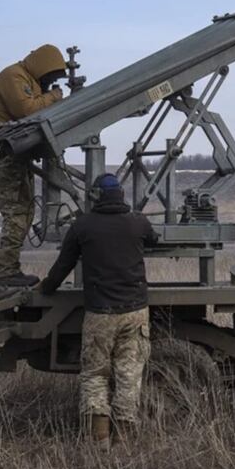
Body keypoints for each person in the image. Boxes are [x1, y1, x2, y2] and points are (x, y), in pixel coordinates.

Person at [40, 174, 159, 448]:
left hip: (100, 314)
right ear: (120, 195)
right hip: (135, 312)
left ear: (95, 197)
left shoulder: (83, 226)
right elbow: (153, 239)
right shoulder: (138, 222)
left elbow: (63, 265)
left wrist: (46, 289)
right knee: (129, 375)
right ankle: (125, 438)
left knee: (95, 374)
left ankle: (100, 439)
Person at [0, 44, 67, 287]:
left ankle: (9, 270)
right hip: (2, 155)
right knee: (16, 215)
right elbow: (26, 110)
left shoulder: (26, 78)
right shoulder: (13, 76)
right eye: (49, 76)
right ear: (42, 67)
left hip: (16, 156)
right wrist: (54, 96)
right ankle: (5, 273)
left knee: (25, 212)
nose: (49, 82)